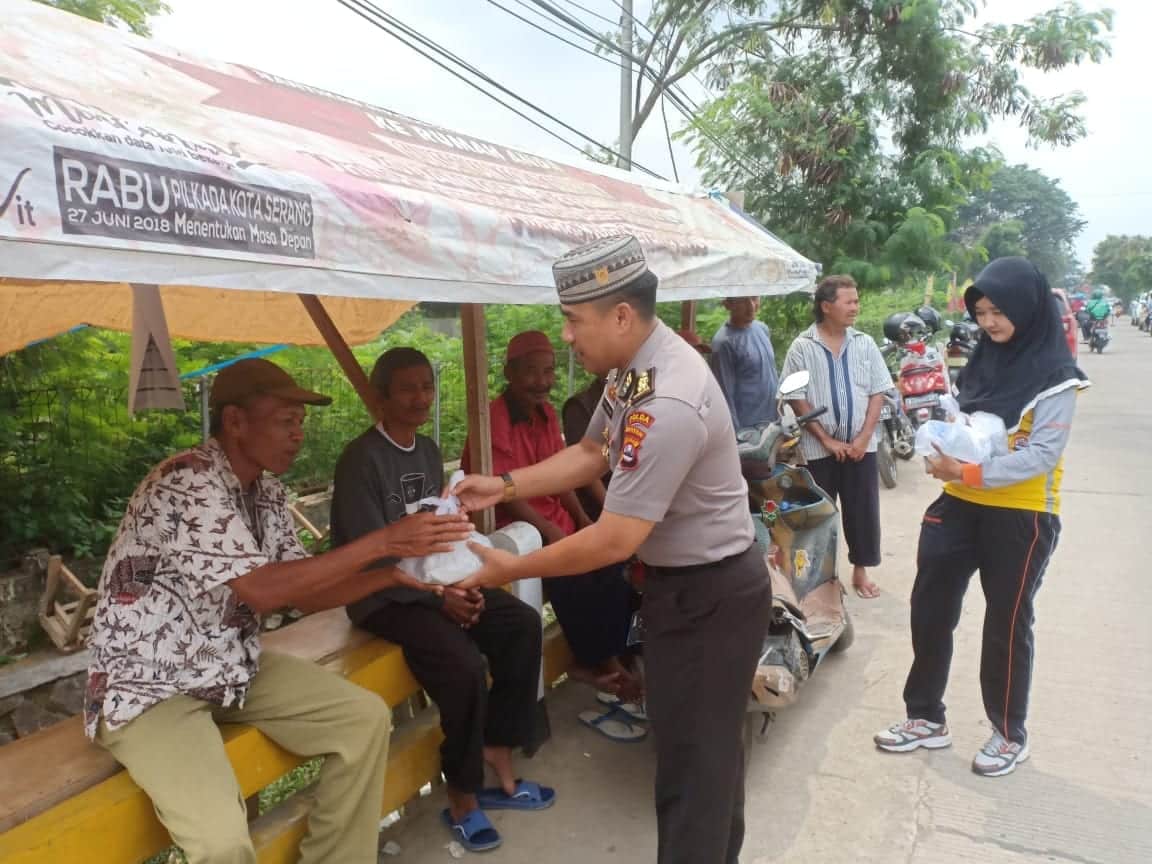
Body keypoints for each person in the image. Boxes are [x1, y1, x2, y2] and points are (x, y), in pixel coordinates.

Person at [453, 235, 771, 864]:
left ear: (621, 315)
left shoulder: (668, 398)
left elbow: (615, 537)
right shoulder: (635, 371)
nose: (566, 337)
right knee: (702, 760)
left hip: (709, 596)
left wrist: (512, 568)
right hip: (686, 588)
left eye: (574, 320)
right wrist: (507, 482)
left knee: (693, 773)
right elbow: (593, 450)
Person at [85, 358, 471, 864]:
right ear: (235, 422)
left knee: (363, 719)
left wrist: (394, 572)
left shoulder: (265, 491)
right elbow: (263, 592)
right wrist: (385, 541)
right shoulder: (185, 480)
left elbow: (303, 593)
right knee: (223, 845)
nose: (298, 435)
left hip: (230, 665)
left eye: (301, 424)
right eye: (286, 421)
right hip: (151, 684)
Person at [330, 348, 553, 854]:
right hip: (382, 597)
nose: (420, 398)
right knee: (462, 666)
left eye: (426, 387)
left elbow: (441, 532)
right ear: (381, 396)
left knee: (519, 623)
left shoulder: (429, 451)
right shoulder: (360, 461)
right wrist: (439, 600)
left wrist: (461, 581)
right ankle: (463, 798)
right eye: (406, 389)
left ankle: (498, 749)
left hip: (433, 583)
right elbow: (367, 562)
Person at [874, 257, 1089, 777]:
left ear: (1029, 310)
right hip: (961, 505)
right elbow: (962, 417)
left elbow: (1040, 455)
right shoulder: (980, 363)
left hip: (1022, 514)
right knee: (929, 609)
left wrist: (964, 471)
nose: (989, 322)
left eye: (1000, 311)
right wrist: (939, 440)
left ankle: (1009, 733)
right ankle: (926, 718)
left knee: (1006, 624)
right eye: (983, 312)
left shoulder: (1057, 379)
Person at [462, 333, 643, 741]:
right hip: (515, 529)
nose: (542, 381)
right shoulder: (494, 419)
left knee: (615, 561)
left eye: (548, 371)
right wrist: (559, 535)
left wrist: (583, 521)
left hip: (552, 520)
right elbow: (508, 493)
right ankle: (605, 664)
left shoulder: (546, 415)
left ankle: (611, 658)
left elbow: (562, 476)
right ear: (509, 374)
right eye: (531, 372)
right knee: (576, 566)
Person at [780, 275, 892, 599]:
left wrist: (862, 438)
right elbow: (796, 394)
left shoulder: (865, 344)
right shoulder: (803, 346)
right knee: (819, 515)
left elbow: (877, 393)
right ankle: (824, 578)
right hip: (818, 447)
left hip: (861, 446)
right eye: (849, 301)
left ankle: (861, 570)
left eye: (856, 301)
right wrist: (827, 440)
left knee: (862, 511)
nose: (855, 307)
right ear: (826, 306)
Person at [711, 295, 780, 427]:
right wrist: (736, 439)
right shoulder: (724, 343)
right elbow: (724, 396)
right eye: (743, 301)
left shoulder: (762, 329)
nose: (751, 306)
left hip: (773, 423)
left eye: (754, 298)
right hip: (748, 430)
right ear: (727, 304)